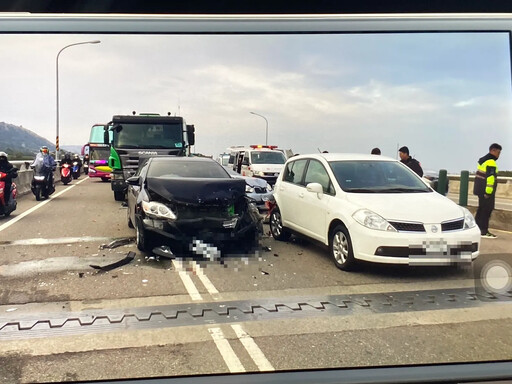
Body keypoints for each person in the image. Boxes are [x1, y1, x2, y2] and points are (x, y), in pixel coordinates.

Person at [473, 143, 502, 239]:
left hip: (479, 189)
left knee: (481, 209)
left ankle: (477, 229)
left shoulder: (483, 161)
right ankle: (483, 231)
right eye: (498, 152)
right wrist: (488, 192)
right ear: (492, 151)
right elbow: (490, 179)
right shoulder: (491, 162)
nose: (499, 155)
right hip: (486, 191)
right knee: (487, 210)